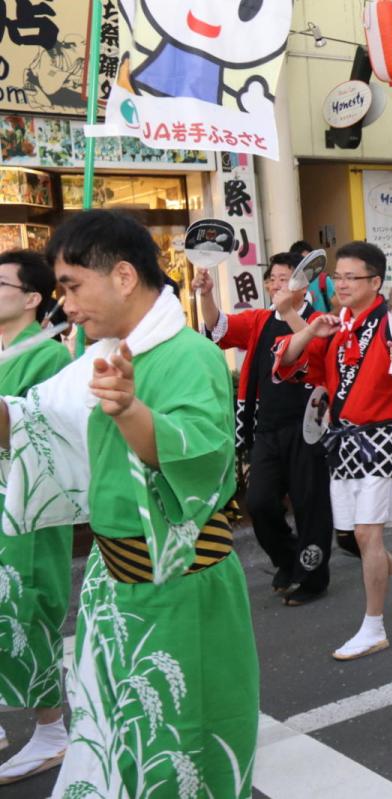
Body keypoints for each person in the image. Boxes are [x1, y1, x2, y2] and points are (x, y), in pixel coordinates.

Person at [0, 210, 259, 796]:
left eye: (72, 286)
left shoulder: (188, 354)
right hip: (114, 584)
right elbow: (34, 420)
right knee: (119, 739)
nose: (66, 305)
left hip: (180, 588)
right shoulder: (107, 353)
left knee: (180, 748)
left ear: (122, 276)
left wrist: (130, 410)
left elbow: (200, 455)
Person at [275, 241, 392, 661]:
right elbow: (293, 361)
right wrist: (298, 320)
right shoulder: (337, 324)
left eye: (352, 277)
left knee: (367, 533)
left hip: (384, 435)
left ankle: (373, 627)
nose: (342, 284)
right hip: (343, 438)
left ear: (375, 282)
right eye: (338, 277)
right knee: (353, 535)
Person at [197, 252, 334, 606]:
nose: (276, 285)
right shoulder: (260, 320)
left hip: (308, 428)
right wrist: (206, 294)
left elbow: (315, 350)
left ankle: (313, 577)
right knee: (259, 503)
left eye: (284, 279)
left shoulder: (317, 320)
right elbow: (219, 327)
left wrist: (290, 314)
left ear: (302, 283)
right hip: (267, 428)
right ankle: (288, 559)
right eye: (272, 279)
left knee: (310, 505)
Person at [0, 250, 71, 785]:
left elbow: (43, 436)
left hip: (27, 503)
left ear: (31, 298)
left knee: (26, 607)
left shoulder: (47, 357)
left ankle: (51, 729)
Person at [293, 239, 336, 313]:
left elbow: (339, 307)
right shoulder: (290, 285)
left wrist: (323, 318)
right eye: (302, 261)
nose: (306, 264)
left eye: (309, 260)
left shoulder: (324, 280)